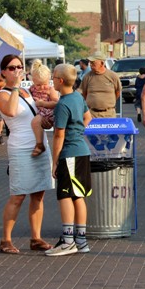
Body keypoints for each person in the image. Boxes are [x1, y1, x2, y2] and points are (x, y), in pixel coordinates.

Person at [0, 55, 54, 254]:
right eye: (12, 68)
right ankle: (6, 240)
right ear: (3, 72)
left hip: (39, 145)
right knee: (18, 195)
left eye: (19, 67)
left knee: (39, 194)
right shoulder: (2, 94)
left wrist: (46, 120)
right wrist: (14, 87)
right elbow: (11, 112)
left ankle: (36, 238)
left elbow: (38, 112)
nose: (17, 70)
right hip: (20, 148)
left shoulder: (28, 91)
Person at [46, 63, 93, 256]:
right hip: (82, 151)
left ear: (60, 80)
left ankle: (68, 240)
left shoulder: (63, 104)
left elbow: (59, 135)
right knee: (78, 195)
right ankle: (81, 240)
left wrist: (55, 161)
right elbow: (88, 118)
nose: (52, 80)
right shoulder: (78, 97)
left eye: (54, 77)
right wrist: (79, 131)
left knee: (65, 195)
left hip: (69, 153)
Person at [28, 59, 59, 157]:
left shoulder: (50, 89)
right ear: (33, 81)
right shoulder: (31, 89)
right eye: (38, 85)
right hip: (39, 113)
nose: (42, 88)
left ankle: (40, 144)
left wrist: (43, 104)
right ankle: (40, 142)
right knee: (36, 122)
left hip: (49, 112)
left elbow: (56, 102)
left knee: (35, 122)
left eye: (44, 84)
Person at [80, 52, 121, 118]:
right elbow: (84, 93)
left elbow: (118, 92)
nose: (91, 65)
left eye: (93, 63)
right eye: (90, 63)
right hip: (91, 114)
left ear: (102, 63)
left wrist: (108, 104)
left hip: (109, 114)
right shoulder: (87, 77)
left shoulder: (113, 76)